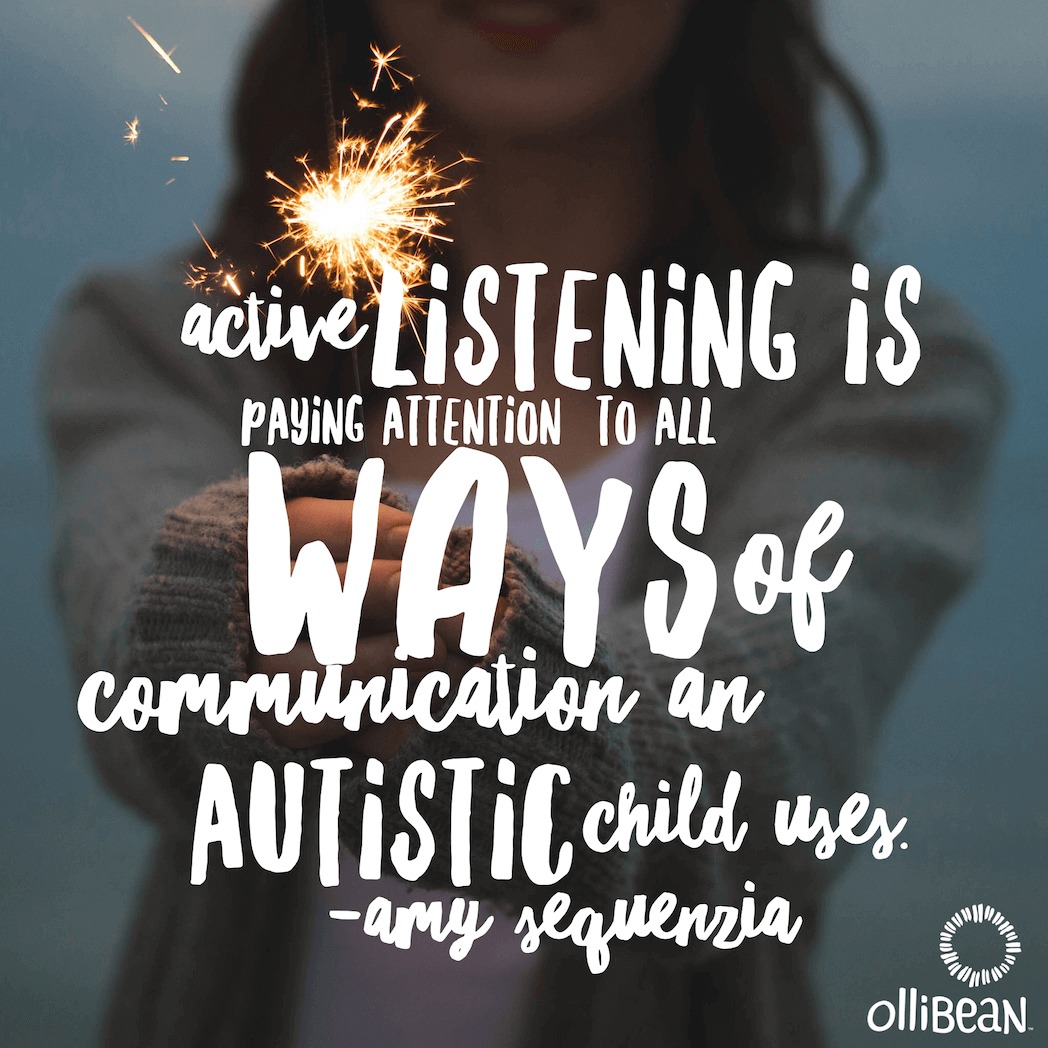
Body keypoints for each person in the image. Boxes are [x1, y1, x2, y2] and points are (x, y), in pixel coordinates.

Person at [41, 0, 1006, 1044]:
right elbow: (129, 629)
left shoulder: (865, 360)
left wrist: (475, 649)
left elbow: (763, 756)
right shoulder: (175, 332)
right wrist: (226, 607)